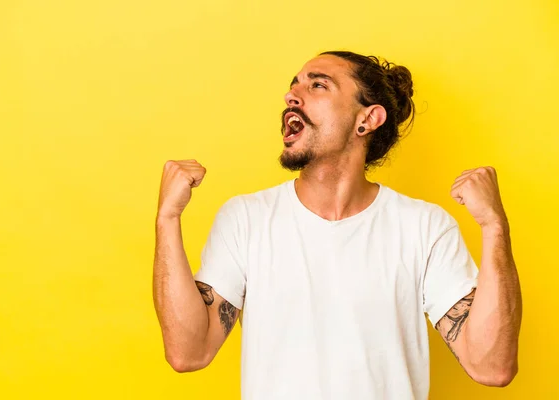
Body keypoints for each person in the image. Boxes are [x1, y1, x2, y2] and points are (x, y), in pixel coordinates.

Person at [153, 51, 522, 400]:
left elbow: (491, 366)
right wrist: (167, 219)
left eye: (317, 85)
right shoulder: (246, 219)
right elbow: (188, 352)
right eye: (294, 85)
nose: (290, 95)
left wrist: (494, 226)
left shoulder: (423, 227)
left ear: (367, 119)